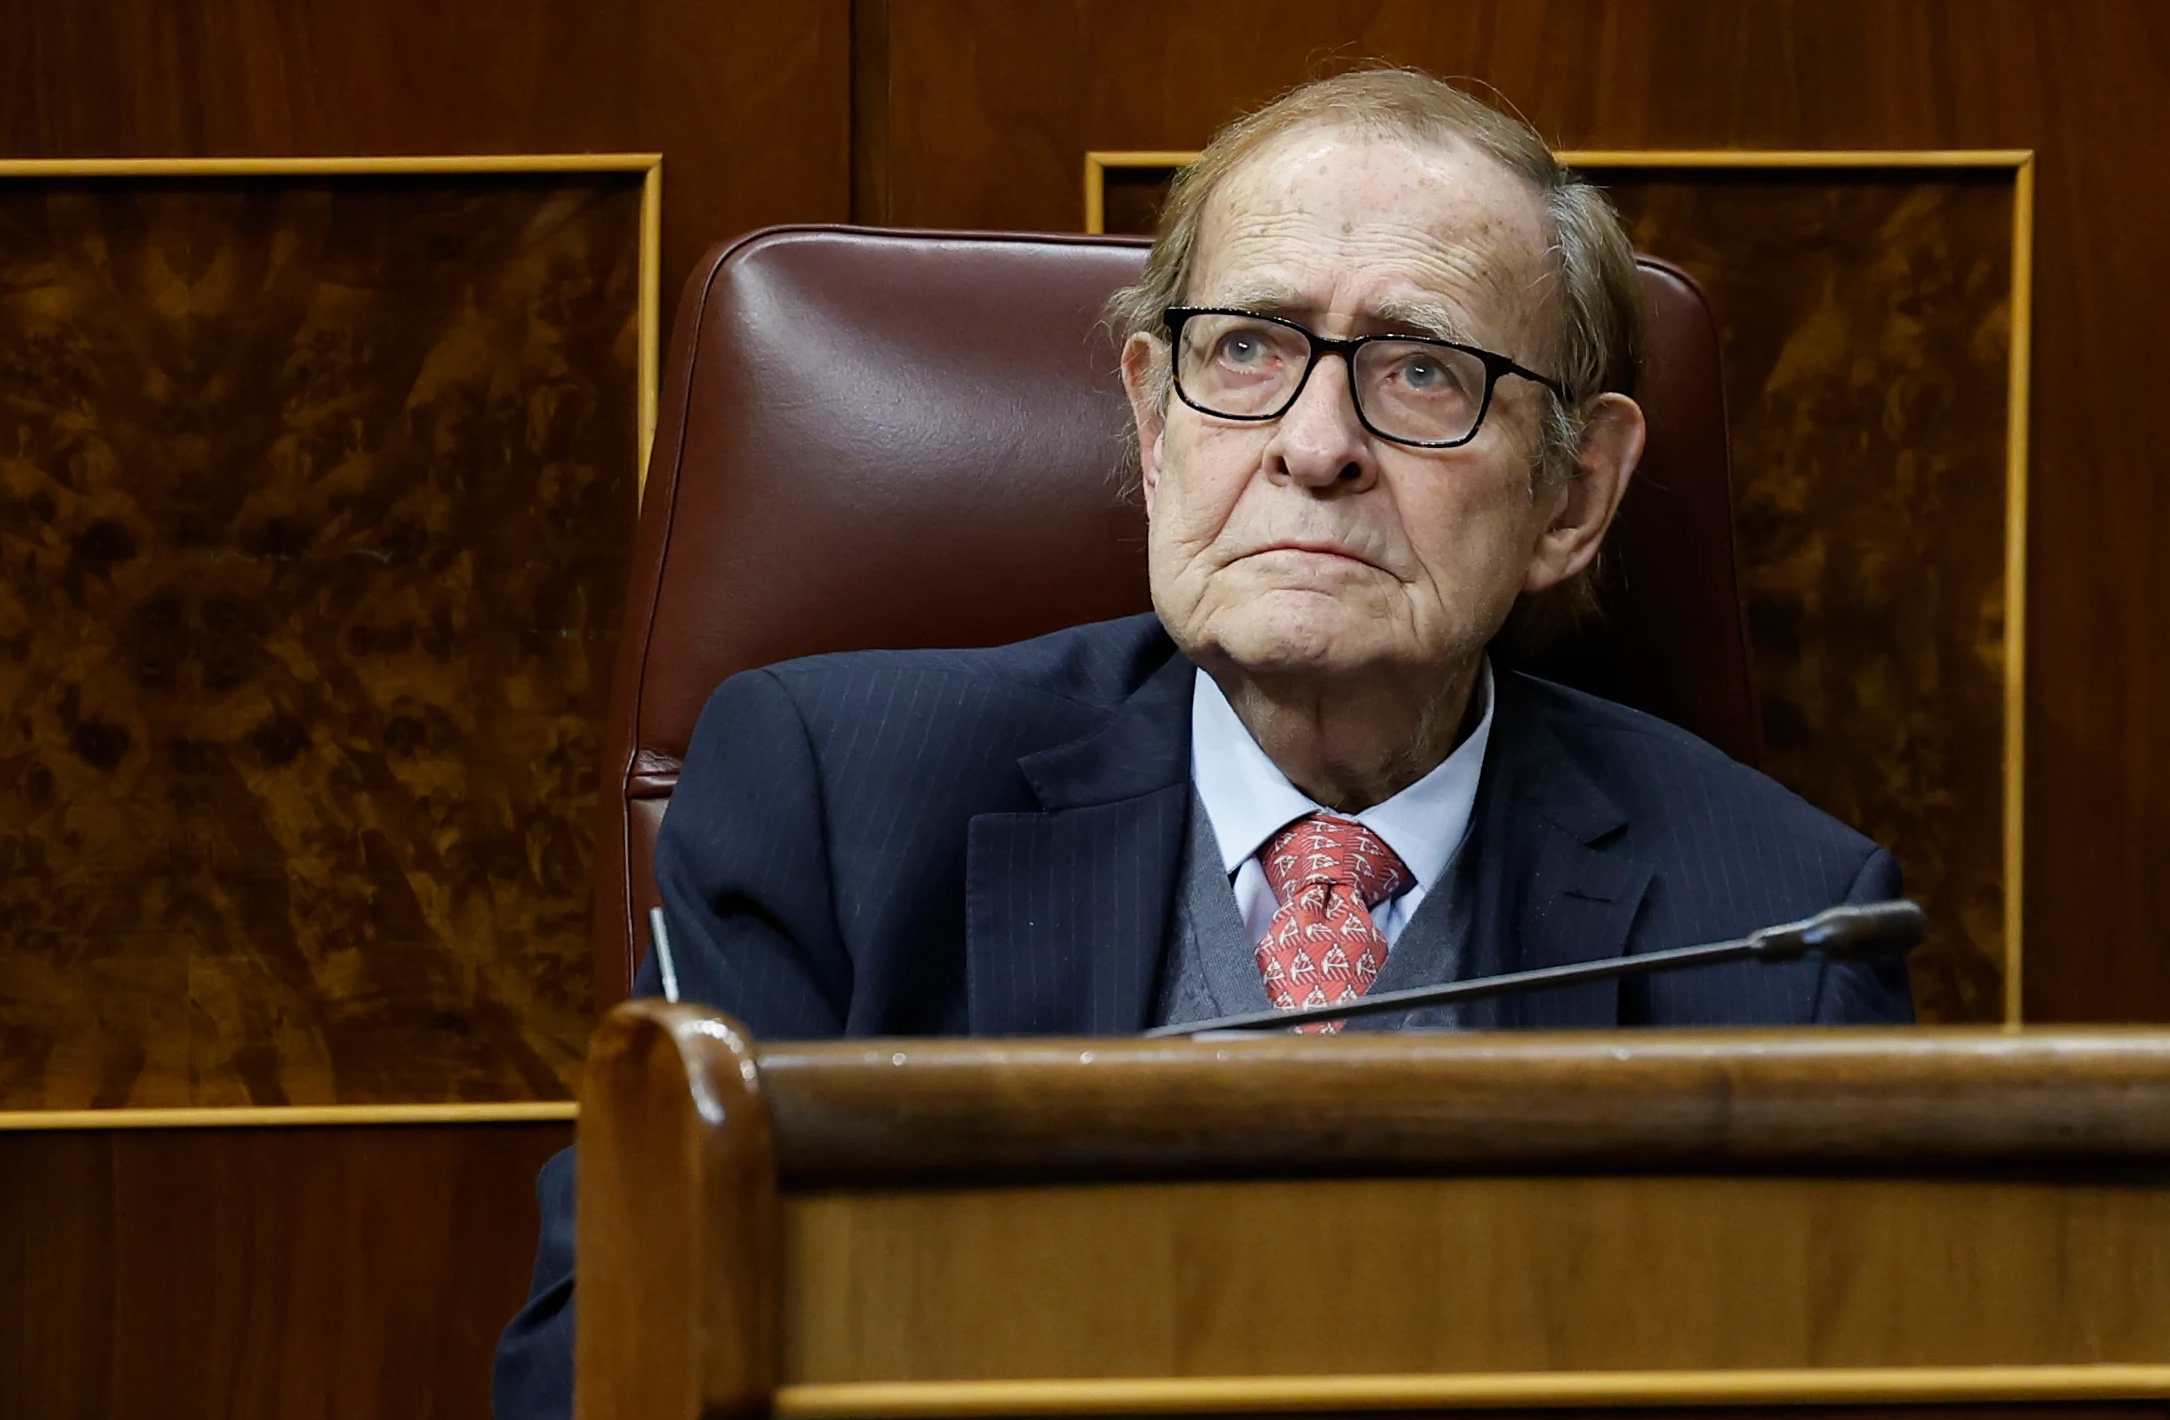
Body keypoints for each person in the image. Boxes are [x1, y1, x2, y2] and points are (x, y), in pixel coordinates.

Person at [492, 66, 1912, 1417]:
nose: (1314, 444)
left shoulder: (1784, 929)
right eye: (1247, 347)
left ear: (1574, 494)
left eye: (1423, 371)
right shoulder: (828, 800)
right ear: (1156, 424)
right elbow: (611, 1360)